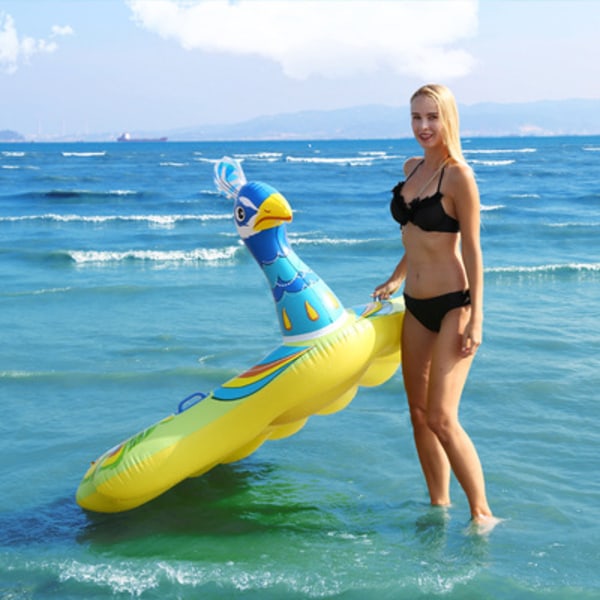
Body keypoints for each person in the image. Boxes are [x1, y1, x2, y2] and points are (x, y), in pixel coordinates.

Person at [373, 84, 495, 525]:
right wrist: (396, 277)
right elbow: (416, 235)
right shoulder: (412, 169)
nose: (423, 126)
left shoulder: (459, 176)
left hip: (452, 307)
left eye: (432, 117)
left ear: (448, 120)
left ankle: (482, 514)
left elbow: (473, 250)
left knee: (442, 417)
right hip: (415, 306)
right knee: (419, 414)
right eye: (416, 117)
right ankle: (438, 506)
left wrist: (476, 318)